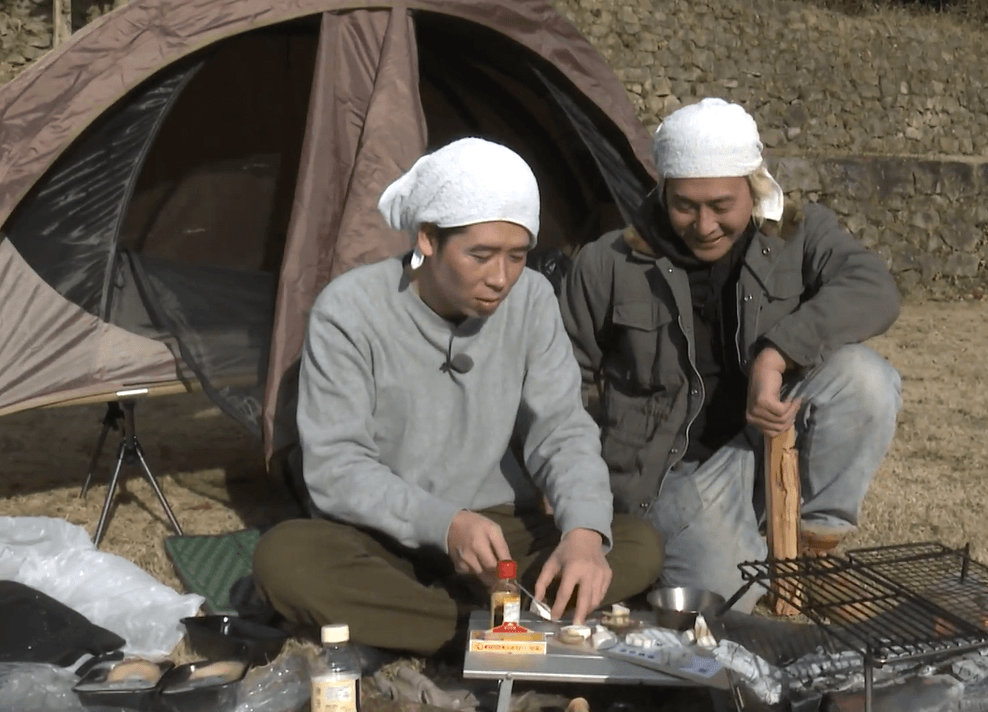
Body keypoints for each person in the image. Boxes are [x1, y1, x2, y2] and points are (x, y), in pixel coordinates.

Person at [253, 138, 663, 657]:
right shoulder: (349, 310)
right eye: (481, 256)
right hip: (383, 534)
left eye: (517, 257)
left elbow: (562, 429)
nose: (501, 278)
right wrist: (443, 525)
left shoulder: (533, 299)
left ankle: (444, 623)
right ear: (428, 238)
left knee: (638, 545)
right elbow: (337, 468)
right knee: (286, 560)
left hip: (500, 533)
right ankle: (490, 630)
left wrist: (583, 534)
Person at [558, 98, 903, 613]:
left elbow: (875, 290)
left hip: (766, 443)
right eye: (685, 205)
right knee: (727, 602)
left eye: (722, 206)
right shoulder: (607, 262)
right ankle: (743, 550)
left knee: (865, 378)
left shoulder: (798, 234)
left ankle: (813, 549)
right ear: (663, 190)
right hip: (673, 476)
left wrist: (776, 354)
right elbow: (566, 378)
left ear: (754, 186)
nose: (704, 225)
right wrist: (575, 486)